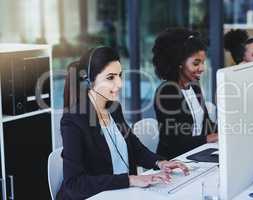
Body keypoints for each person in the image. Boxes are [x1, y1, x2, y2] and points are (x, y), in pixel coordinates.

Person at [57, 46, 189, 199]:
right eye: (110, 77)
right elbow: (75, 183)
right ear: (89, 81)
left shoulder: (114, 109)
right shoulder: (73, 121)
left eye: (119, 75)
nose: (119, 83)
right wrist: (130, 180)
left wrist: (160, 163)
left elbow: (135, 147)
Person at [152, 28, 218, 160]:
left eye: (203, 62)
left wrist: (225, 128)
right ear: (179, 63)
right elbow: (174, 142)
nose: (202, 68)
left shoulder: (194, 87)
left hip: (197, 156)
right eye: (196, 63)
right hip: (175, 161)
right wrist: (208, 138)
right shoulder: (167, 92)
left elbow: (206, 124)